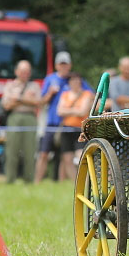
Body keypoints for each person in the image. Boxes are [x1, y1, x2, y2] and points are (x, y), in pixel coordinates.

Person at [36, 52, 91, 182]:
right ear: (56, 65)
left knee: (66, 155)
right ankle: (36, 182)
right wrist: (50, 93)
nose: (64, 67)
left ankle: (69, 182)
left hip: (72, 125)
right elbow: (41, 102)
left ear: (70, 65)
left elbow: (91, 96)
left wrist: (78, 109)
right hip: (53, 122)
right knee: (44, 153)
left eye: (66, 64)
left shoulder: (76, 79)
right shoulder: (50, 79)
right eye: (61, 64)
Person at [1, 60, 41, 183]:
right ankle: (10, 179)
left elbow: (37, 102)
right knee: (12, 150)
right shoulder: (9, 85)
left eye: (27, 71)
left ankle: (29, 180)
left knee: (30, 150)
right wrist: (27, 99)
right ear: (16, 71)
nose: (25, 74)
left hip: (30, 117)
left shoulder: (34, 86)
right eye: (22, 71)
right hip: (14, 117)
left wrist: (18, 98)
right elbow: (6, 105)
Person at [56, 73, 93, 181]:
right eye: (73, 80)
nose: (75, 82)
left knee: (81, 156)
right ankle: (75, 182)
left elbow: (83, 111)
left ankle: (85, 180)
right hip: (67, 129)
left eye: (77, 80)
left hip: (80, 130)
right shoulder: (65, 94)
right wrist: (75, 111)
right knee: (67, 158)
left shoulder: (87, 94)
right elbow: (59, 111)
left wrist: (67, 110)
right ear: (69, 82)